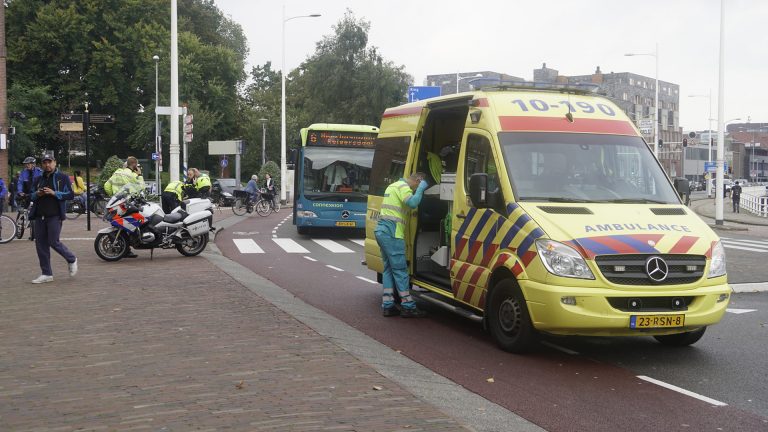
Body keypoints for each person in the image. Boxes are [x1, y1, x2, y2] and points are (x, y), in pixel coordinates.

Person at [375, 172, 429, 318]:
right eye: (418, 184)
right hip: (393, 234)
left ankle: (388, 305)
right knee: (400, 270)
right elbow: (412, 203)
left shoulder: (392, 186)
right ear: (418, 180)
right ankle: (408, 306)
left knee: (387, 269)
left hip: (381, 231)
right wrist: (421, 190)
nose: (415, 189)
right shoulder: (404, 187)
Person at [29, 154, 77, 284]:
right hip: (39, 216)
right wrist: (37, 194)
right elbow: (31, 195)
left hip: (54, 215)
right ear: (42, 164)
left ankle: (71, 258)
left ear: (55, 163)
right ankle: (46, 273)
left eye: (49, 162)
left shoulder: (62, 177)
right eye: (44, 163)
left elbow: (70, 194)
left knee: (53, 241)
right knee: (40, 245)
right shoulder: (38, 179)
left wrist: (54, 193)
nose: (47, 165)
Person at [104, 156, 144, 258]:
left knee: (118, 224)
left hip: (115, 202)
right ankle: (129, 247)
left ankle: (122, 248)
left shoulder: (116, 173)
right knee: (132, 223)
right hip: (126, 203)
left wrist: (113, 195)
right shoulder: (132, 175)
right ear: (134, 165)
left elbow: (106, 186)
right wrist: (139, 175)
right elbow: (141, 187)